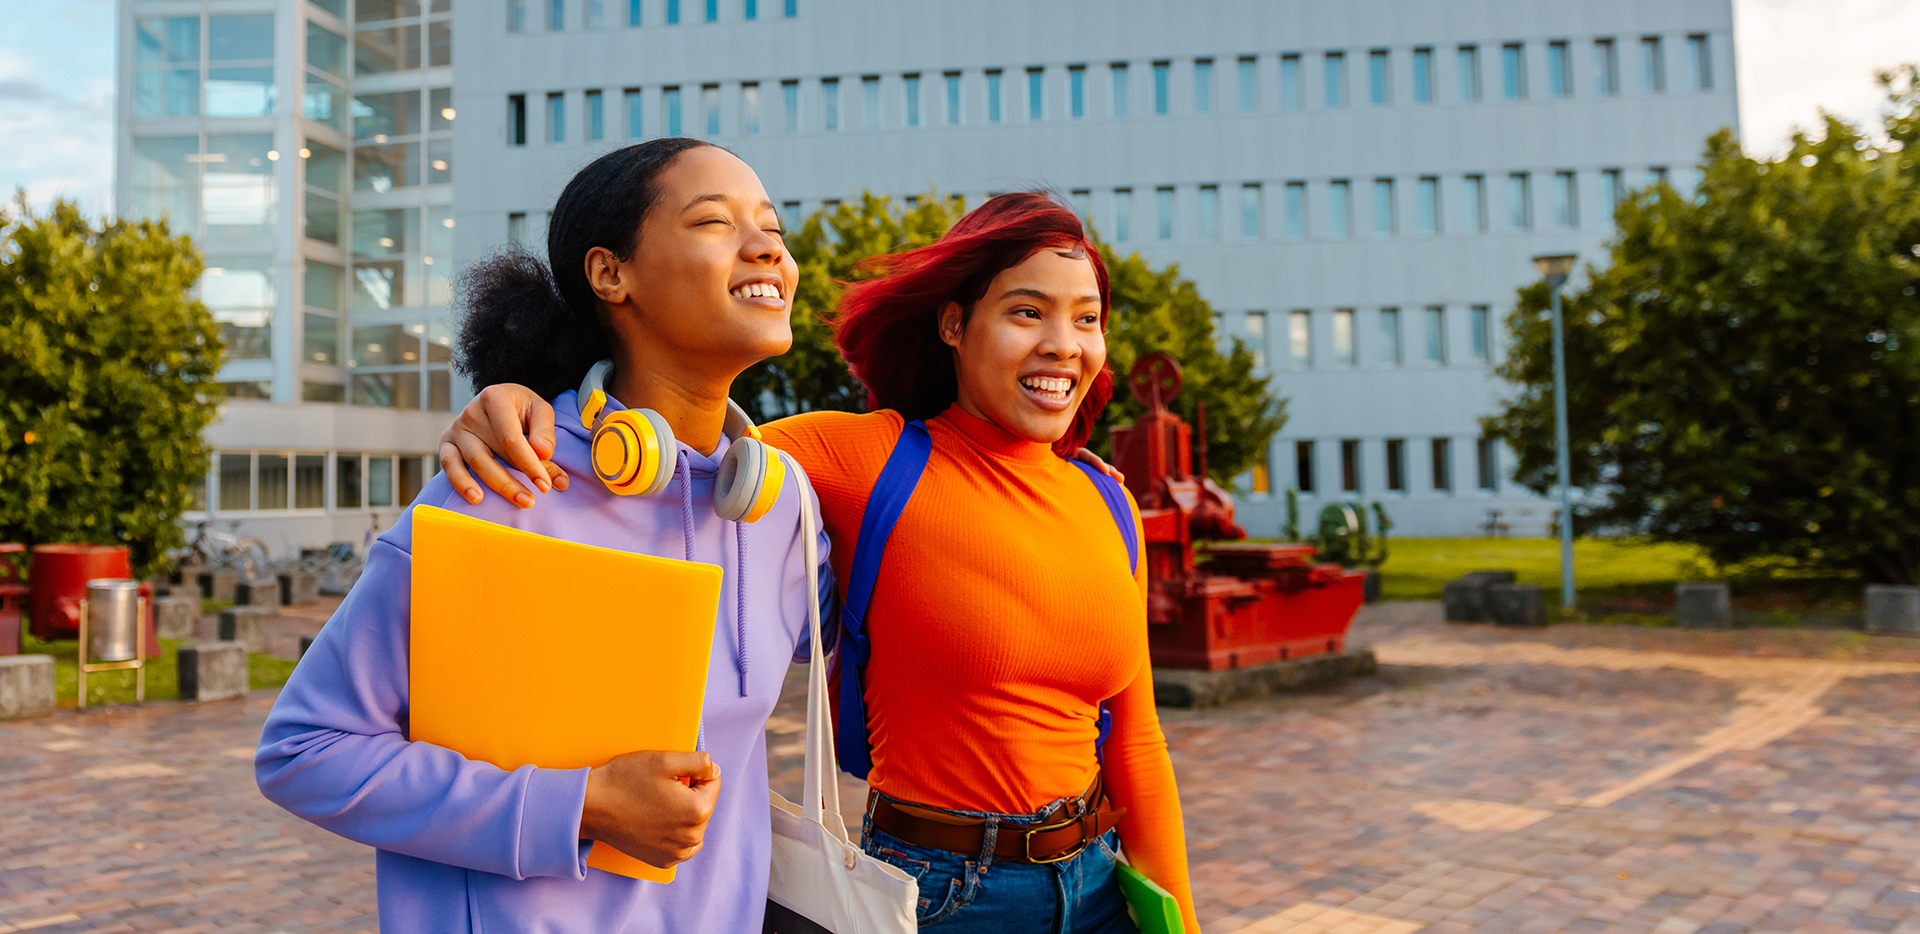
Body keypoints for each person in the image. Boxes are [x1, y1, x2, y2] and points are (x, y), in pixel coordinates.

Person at [439, 191, 1202, 933]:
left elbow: (1135, 738)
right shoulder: (867, 459)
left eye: (1088, 319)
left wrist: (1181, 920)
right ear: (954, 324)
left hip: (1099, 885)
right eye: (1027, 312)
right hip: (946, 897)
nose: (1064, 345)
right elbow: (662, 446)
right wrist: (523, 399)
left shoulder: (1107, 499)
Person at [255, 138, 832, 933]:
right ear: (610, 274)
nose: (768, 245)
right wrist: (580, 805)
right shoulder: (502, 482)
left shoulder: (780, 509)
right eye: (713, 222)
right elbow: (304, 751)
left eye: (771, 226)